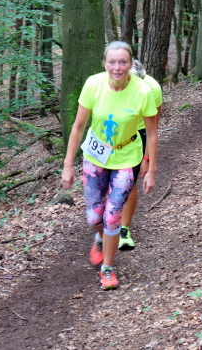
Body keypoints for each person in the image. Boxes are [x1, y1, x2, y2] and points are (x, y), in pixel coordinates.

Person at [61, 41, 158, 290]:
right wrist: (68, 165)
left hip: (127, 156)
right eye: (112, 62)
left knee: (113, 216)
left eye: (123, 62)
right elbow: (78, 127)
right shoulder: (93, 84)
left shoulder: (143, 91)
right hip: (96, 156)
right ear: (105, 63)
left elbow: (152, 133)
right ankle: (101, 237)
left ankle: (107, 268)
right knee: (95, 217)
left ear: (130, 63)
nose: (117, 67)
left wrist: (150, 170)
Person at [119, 59, 163, 251]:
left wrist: (147, 160)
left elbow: (153, 130)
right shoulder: (109, 85)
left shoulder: (152, 89)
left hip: (140, 132)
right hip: (115, 132)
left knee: (129, 181)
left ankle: (123, 229)